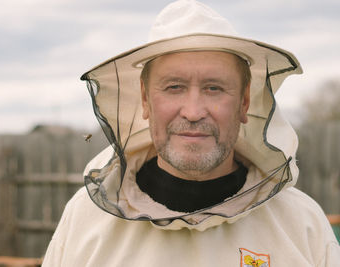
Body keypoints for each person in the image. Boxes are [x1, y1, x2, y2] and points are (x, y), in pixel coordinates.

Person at [42, 1, 340, 266]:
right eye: (174, 87)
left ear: (244, 101)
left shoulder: (302, 223)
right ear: (145, 100)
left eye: (214, 88)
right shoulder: (86, 218)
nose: (194, 111)